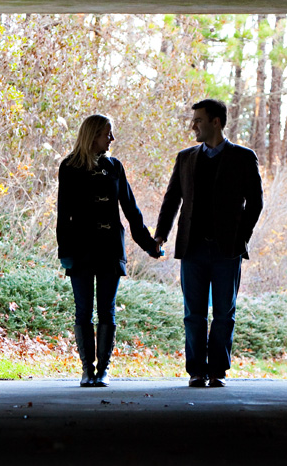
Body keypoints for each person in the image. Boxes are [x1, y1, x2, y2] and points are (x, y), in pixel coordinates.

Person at [154, 99, 263, 387]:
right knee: (194, 314)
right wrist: (160, 235)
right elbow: (171, 199)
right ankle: (196, 371)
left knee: (224, 313)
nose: (193, 126)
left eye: (199, 120)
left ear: (216, 122)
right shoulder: (186, 158)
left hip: (228, 250)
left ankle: (217, 371)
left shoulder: (243, 157)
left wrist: (242, 237)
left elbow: (256, 202)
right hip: (192, 248)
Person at [57, 114, 161, 387]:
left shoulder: (115, 166)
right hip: (80, 249)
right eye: (107, 133)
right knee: (83, 310)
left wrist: (149, 244)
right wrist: (63, 251)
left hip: (110, 247)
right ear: (92, 136)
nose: (111, 139)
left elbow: (131, 209)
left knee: (107, 309)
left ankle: (103, 369)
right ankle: (86, 370)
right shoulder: (69, 167)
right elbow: (63, 213)